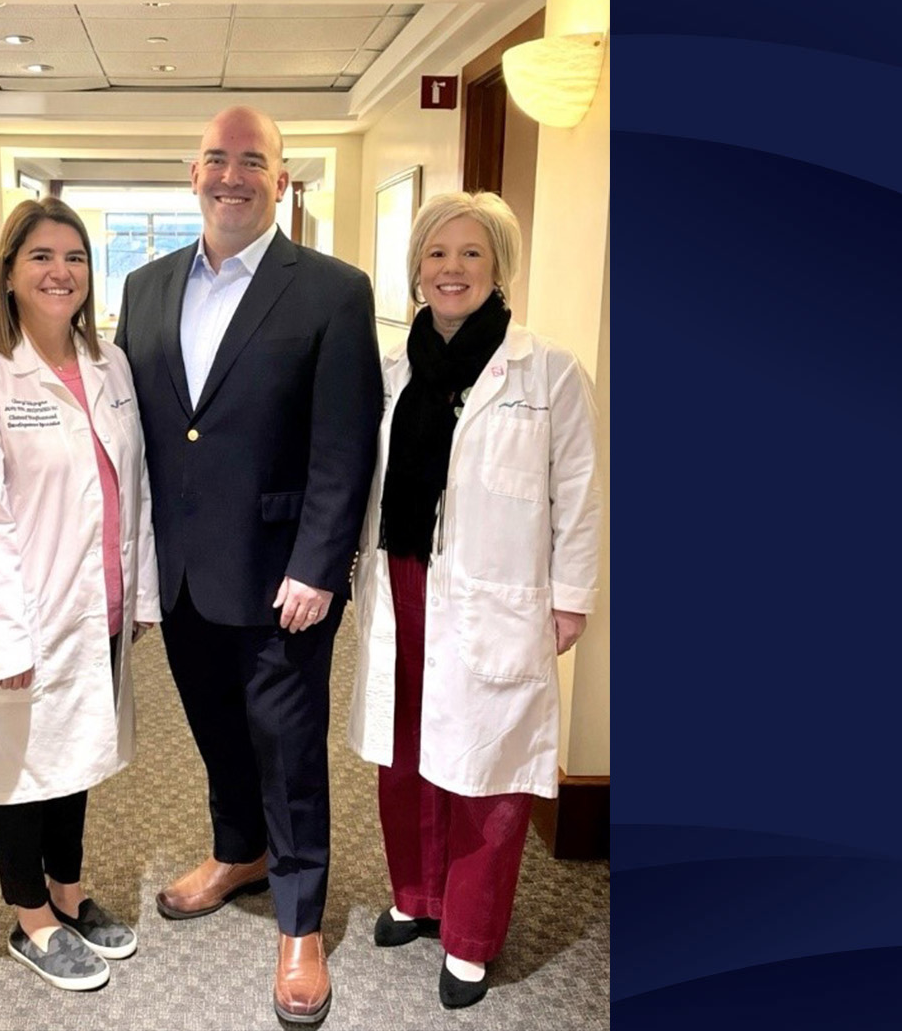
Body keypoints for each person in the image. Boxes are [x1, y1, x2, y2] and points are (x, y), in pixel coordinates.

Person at [113, 105, 382, 1024]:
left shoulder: (334, 292)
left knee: (287, 748)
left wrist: (319, 564)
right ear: (193, 173)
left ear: (281, 177)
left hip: (282, 580)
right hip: (181, 572)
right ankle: (240, 851)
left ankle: (300, 922)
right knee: (218, 734)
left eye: (252, 162)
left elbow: (347, 445)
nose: (232, 176)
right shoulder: (143, 289)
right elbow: (141, 436)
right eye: (217, 160)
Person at [346, 191, 602, 1008]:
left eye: (470, 255)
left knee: (487, 768)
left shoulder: (548, 369)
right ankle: (415, 898)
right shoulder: (392, 369)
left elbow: (582, 493)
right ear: (416, 270)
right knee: (407, 752)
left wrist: (571, 599)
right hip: (402, 584)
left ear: (498, 270)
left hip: (497, 594)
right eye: (436, 254)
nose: (450, 269)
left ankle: (470, 936)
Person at [0, 196, 160, 993]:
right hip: (23, 610)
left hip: (97, 600)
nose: (60, 272)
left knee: (76, 753)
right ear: (8, 272)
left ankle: (67, 889)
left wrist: (138, 596)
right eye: (40, 257)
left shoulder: (110, 363)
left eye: (74, 257)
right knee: (21, 765)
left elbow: (132, 491)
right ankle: (30, 916)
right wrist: (3, 636)